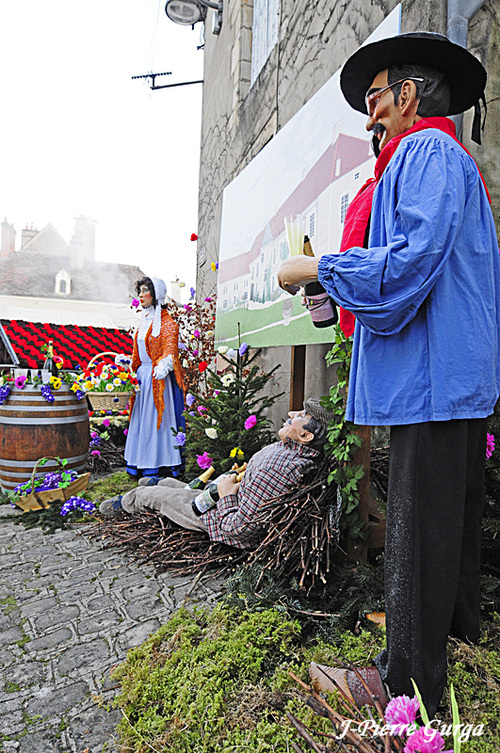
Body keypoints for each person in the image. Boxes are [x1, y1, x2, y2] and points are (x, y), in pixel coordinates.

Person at [278, 32, 500, 716]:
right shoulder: (448, 158)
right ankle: (458, 644)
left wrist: (319, 269)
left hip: (431, 379)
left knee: (415, 533)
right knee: (449, 527)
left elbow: (406, 266)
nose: (368, 112)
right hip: (451, 377)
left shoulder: (427, 151)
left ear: (407, 96)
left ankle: (400, 685)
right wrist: (334, 284)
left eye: (375, 96)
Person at [100, 398, 334, 549]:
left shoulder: (280, 467)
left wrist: (227, 494)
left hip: (216, 517)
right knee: (186, 486)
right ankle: (160, 481)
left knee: (158, 497)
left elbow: (240, 529)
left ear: (306, 436)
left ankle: (129, 500)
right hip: (230, 494)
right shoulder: (292, 452)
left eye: (301, 416)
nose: (292, 413)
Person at [124, 276, 185, 481]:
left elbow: (170, 349)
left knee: (154, 423)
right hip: (143, 377)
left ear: (155, 294)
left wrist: (165, 365)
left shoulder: (167, 323)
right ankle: (139, 462)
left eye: (144, 291)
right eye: (139, 291)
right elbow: (140, 350)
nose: (140, 295)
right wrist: (128, 362)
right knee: (141, 420)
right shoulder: (144, 320)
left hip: (158, 379)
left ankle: (158, 464)